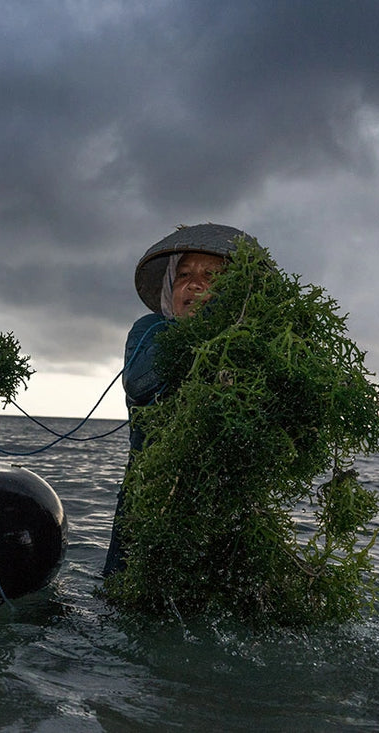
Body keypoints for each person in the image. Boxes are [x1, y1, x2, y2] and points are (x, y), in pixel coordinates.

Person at [103, 223, 248, 576]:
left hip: (223, 515)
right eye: (184, 275)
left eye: (212, 277)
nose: (195, 284)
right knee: (127, 598)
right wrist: (210, 323)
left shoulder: (249, 349)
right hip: (147, 507)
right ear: (171, 286)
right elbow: (139, 383)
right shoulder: (151, 329)